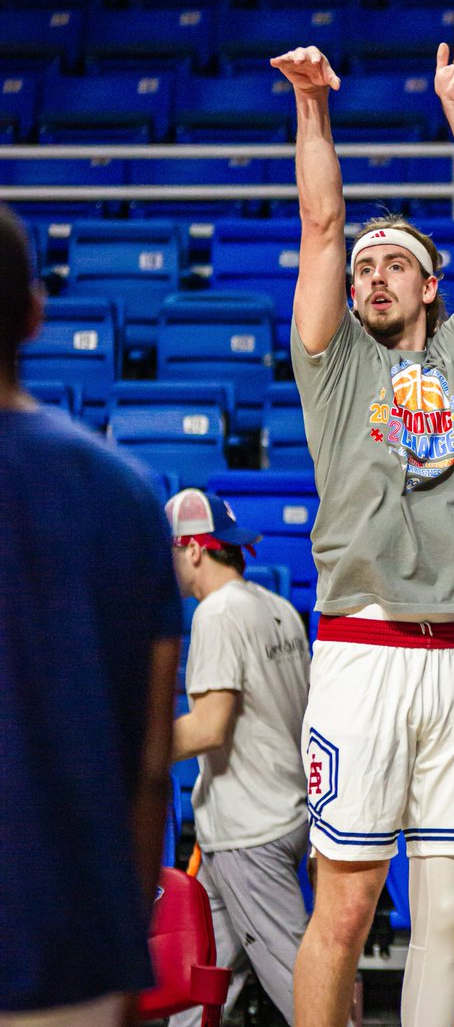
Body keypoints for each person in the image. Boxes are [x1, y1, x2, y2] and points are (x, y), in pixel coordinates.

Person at [269, 6, 454, 1027]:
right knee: (345, 905)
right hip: (363, 652)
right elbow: (320, 225)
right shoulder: (332, 368)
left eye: (390, 265)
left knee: (450, 913)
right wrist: (312, 110)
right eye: (361, 266)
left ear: (428, 286)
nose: (368, 274)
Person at [0, 204, 183, 1027]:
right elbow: (150, 759)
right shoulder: (126, 494)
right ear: (35, 312)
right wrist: (124, 940)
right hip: (77, 940)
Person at [166, 488, 311, 1027]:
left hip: (250, 833)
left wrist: (125, 750)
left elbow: (209, 726)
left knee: (305, 985)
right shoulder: (277, 609)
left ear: (195, 550)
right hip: (274, 816)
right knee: (196, 976)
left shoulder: (217, 615)